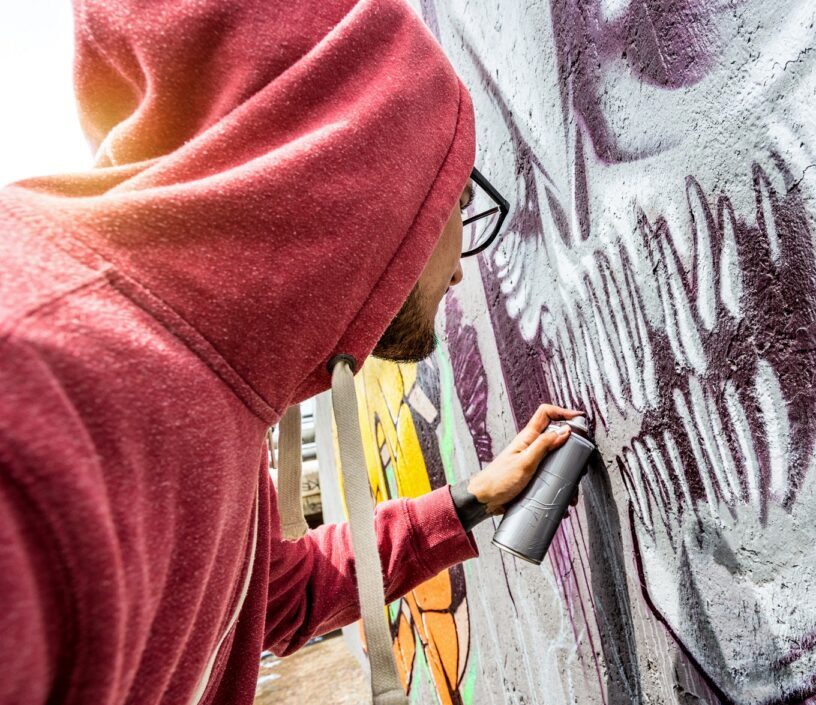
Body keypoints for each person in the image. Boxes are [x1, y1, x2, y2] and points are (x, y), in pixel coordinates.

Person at [0, 1, 578, 703]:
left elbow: (273, 600)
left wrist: (472, 498)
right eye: (451, 197)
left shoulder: (206, 380)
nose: (460, 267)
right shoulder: (36, 390)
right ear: (360, 179)